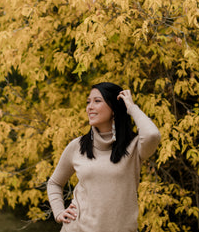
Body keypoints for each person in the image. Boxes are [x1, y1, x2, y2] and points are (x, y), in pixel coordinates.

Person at [47, 82, 161, 232]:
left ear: (114, 108)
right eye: (88, 102)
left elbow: (152, 135)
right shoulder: (77, 146)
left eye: (97, 101)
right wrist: (59, 212)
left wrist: (131, 107)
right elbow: (54, 183)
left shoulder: (134, 147)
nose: (90, 107)